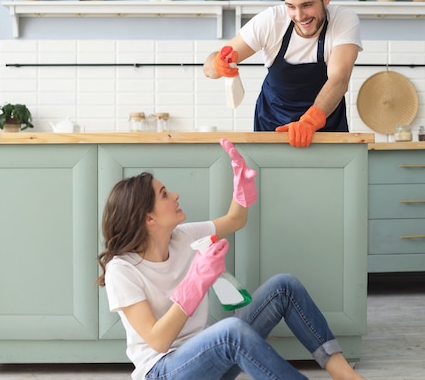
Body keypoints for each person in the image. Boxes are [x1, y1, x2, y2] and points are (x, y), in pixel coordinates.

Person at [97, 138, 367, 380]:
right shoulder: (122, 270)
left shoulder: (183, 236)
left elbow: (235, 219)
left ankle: (344, 374)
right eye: (165, 194)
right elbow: (157, 341)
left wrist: (242, 186)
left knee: (284, 286)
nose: (175, 195)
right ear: (149, 219)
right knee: (231, 331)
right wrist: (196, 282)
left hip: (208, 363)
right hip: (163, 371)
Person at [204, 0, 362, 148]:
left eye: (307, 5)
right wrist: (217, 64)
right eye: (291, 6)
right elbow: (208, 69)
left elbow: (339, 79)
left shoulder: (343, 20)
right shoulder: (271, 20)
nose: (299, 15)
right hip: (272, 126)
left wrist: (309, 122)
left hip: (325, 126)